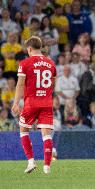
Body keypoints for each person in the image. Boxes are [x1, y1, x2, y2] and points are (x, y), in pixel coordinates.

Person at [11, 36, 56, 174]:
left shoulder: (25, 63)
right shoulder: (51, 63)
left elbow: (19, 84)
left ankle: (31, 162)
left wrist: (16, 103)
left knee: (24, 130)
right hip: (47, 102)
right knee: (46, 135)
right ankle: (47, 166)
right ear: (40, 47)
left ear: (29, 49)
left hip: (31, 102)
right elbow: (53, 85)